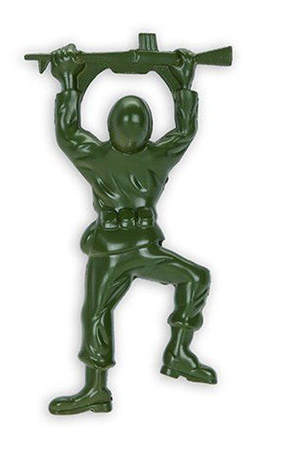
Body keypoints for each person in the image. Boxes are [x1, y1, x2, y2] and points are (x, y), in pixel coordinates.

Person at [48, 44, 216, 415]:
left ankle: (177, 353)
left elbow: (68, 133)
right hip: (110, 249)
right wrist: (182, 86)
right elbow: (184, 131)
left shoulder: (111, 156)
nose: (130, 132)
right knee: (95, 313)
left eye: (135, 125)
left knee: (194, 278)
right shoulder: (143, 156)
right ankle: (96, 388)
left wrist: (69, 82)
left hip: (139, 247)